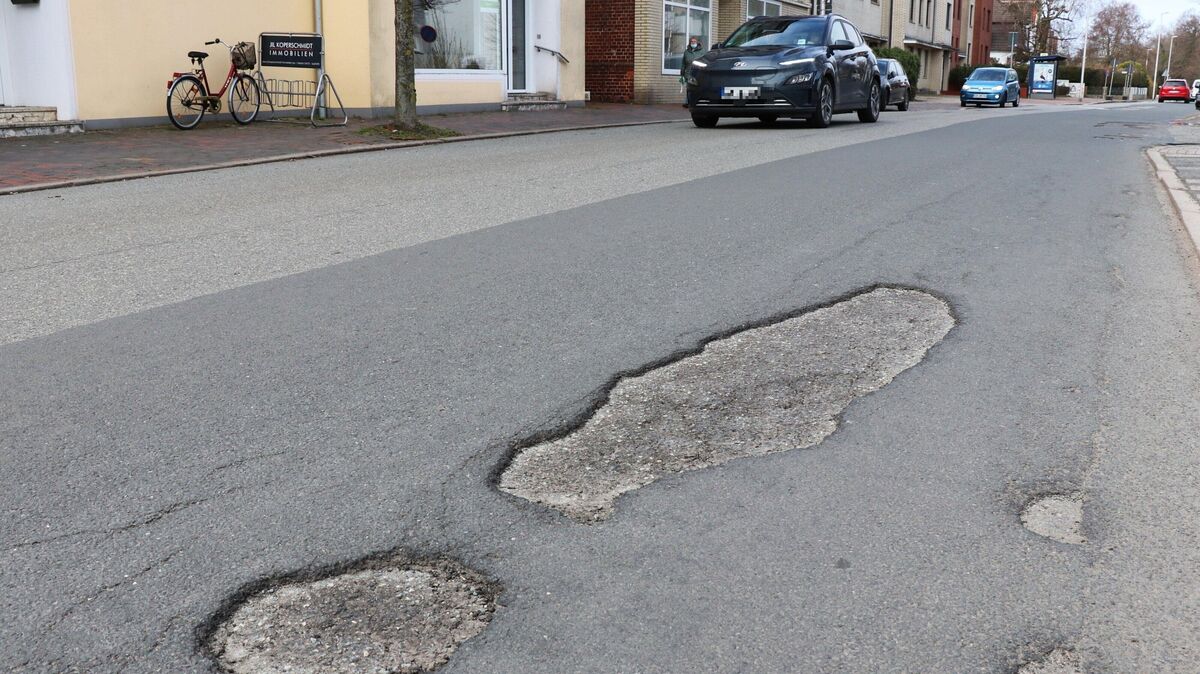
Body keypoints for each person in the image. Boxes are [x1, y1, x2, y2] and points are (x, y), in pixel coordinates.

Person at [679, 36, 704, 105]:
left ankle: (698, 101)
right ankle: (688, 102)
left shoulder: (702, 51)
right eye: (692, 42)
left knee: (697, 88)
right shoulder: (686, 52)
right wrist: (682, 74)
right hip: (688, 73)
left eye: (694, 41)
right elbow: (683, 63)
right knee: (689, 88)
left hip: (698, 73)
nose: (693, 43)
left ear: (697, 42)